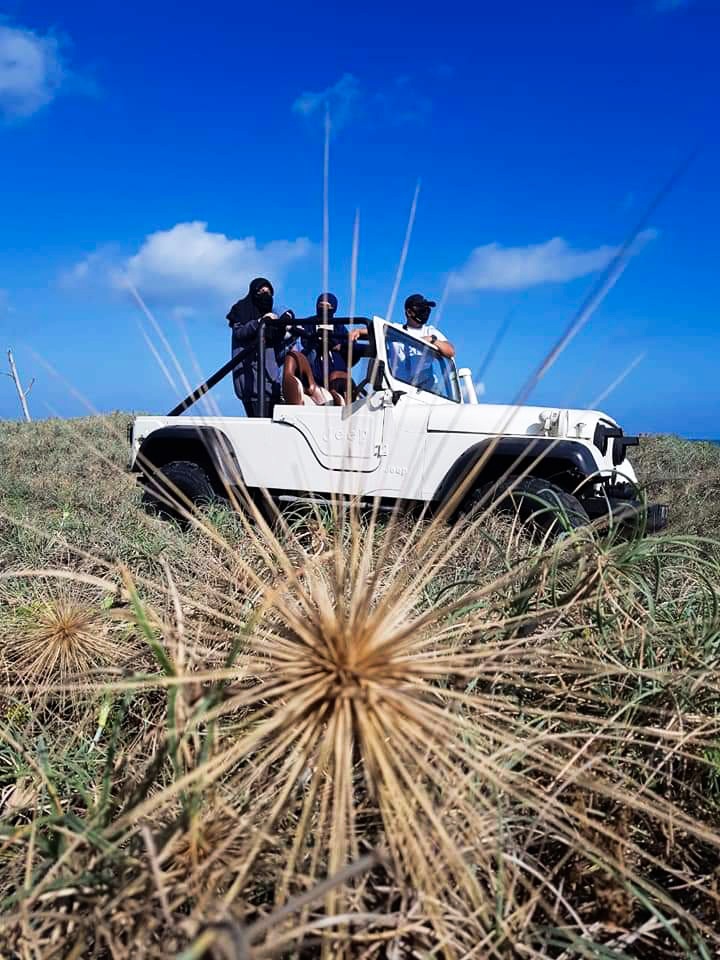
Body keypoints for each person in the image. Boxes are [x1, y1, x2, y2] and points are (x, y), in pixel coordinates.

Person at [227, 278, 295, 417]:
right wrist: (259, 322)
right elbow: (240, 333)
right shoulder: (241, 310)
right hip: (250, 383)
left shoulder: (270, 320)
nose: (266, 295)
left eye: (269, 292)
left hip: (270, 384)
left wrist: (287, 332)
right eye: (261, 291)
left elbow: (277, 352)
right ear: (253, 292)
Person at [389, 294, 455, 388]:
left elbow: (450, 351)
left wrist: (432, 340)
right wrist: (359, 331)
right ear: (409, 312)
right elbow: (375, 329)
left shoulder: (430, 331)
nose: (426, 312)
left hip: (428, 391)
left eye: (427, 309)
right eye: (422, 309)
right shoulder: (395, 330)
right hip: (399, 389)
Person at [300, 292, 365, 386]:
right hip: (313, 367)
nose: (323, 309)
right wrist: (316, 342)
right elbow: (301, 339)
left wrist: (337, 345)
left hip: (336, 369)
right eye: (321, 305)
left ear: (334, 309)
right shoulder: (308, 323)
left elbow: (352, 346)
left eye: (328, 306)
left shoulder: (339, 326)